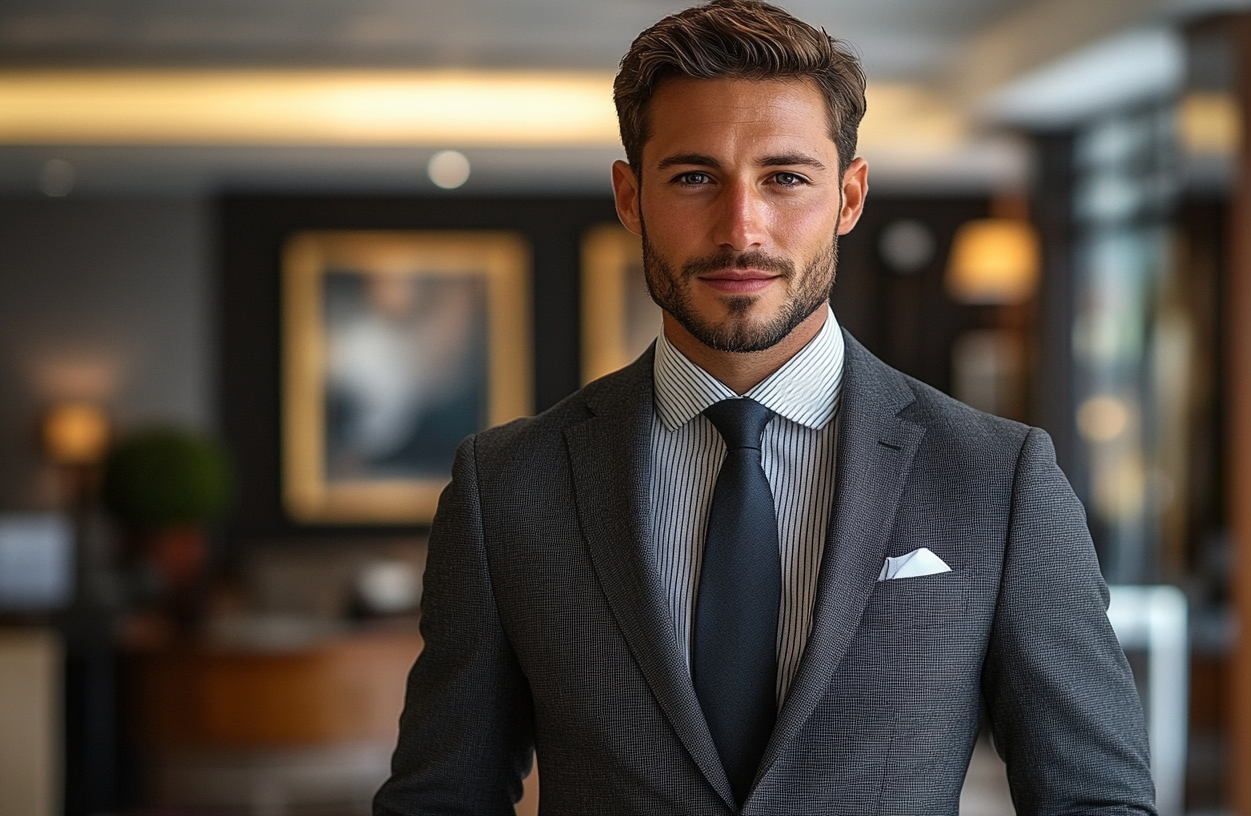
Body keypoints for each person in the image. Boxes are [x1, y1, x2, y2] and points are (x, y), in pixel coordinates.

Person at [374, 1, 1155, 814]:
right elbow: (442, 797)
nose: (740, 228)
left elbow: (1095, 799)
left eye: (785, 177)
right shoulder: (504, 488)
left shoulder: (999, 479)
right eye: (693, 177)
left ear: (849, 197)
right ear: (630, 197)